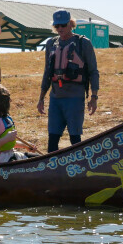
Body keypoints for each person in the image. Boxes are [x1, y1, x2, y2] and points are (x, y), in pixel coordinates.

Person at [37, 9, 100, 153]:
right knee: (52, 138)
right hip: (56, 99)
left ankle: (79, 170)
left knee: (75, 139)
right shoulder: (51, 44)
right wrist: (41, 98)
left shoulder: (83, 43)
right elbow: (47, 72)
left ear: (71, 24)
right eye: (57, 26)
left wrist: (94, 97)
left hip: (74, 98)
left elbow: (93, 72)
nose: (60, 29)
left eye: (63, 25)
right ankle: (51, 171)